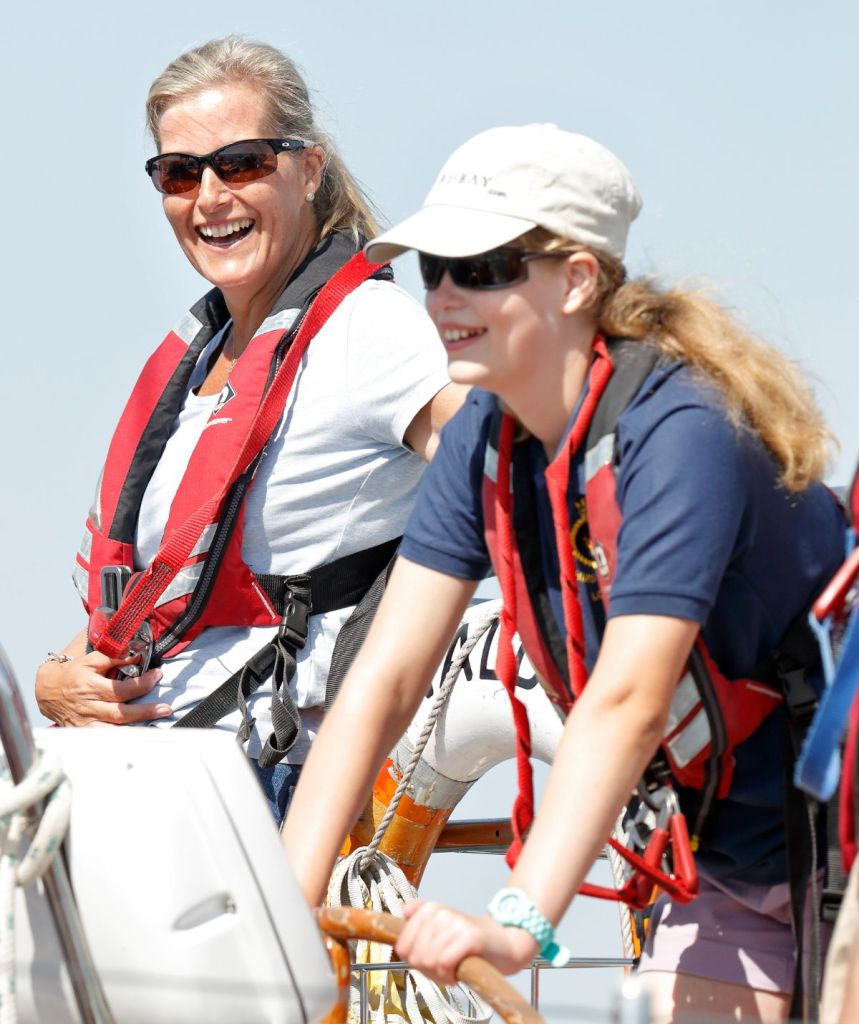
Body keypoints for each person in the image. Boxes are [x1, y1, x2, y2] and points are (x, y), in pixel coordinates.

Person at [282, 124, 846, 1022]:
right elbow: (384, 682)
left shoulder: (682, 434)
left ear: (579, 279)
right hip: (729, 865)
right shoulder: (483, 440)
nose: (446, 296)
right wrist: (282, 905)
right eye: (434, 268)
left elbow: (629, 702)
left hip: (839, 846)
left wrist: (516, 925)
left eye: (486, 266)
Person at [34, 36, 463, 824]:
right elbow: (176, 592)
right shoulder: (194, 367)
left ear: (308, 169)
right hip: (141, 762)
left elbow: (506, 473)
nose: (208, 197)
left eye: (241, 164)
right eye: (178, 173)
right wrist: (56, 677)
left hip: (257, 774)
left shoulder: (372, 332)